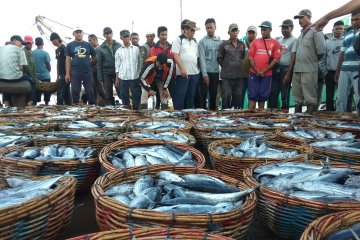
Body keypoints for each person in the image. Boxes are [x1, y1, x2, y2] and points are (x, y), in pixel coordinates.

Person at [284, 9, 326, 114]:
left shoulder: (316, 30)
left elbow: (321, 51)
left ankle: (309, 121)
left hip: (309, 69)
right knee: (297, 97)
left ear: (309, 16)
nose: (299, 20)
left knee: (310, 98)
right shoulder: (301, 34)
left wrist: (311, 61)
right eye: (298, 18)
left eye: (302, 17)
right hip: (297, 69)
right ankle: (297, 120)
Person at [248, 21, 281, 110]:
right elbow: (250, 57)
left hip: (267, 75)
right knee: (252, 97)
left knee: (262, 97)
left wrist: (264, 70)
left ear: (270, 30)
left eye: (265, 29)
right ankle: (249, 118)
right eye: (262, 29)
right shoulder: (255, 42)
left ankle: (260, 119)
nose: (263, 31)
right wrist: (256, 70)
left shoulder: (276, 43)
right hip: (254, 74)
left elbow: (276, 59)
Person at [268, 19, 297, 110]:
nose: (283, 30)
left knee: (285, 95)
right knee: (273, 94)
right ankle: (272, 116)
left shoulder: (294, 40)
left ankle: (284, 117)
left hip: (286, 70)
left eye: (286, 28)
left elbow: (293, 57)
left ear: (291, 28)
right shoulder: (279, 40)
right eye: (282, 28)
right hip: (276, 69)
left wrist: (289, 74)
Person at [172, 20, 201, 110]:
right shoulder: (178, 40)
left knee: (190, 98)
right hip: (183, 74)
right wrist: (182, 68)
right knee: (180, 97)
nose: (193, 32)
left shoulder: (195, 41)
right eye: (191, 30)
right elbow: (175, 55)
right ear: (185, 30)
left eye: (194, 31)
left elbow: (197, 57)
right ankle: (178, 118)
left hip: (194, 73)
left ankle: (189, 118)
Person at [335, 11, 360, 113]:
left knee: (359, 96)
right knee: (341, 96)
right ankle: (340, 118)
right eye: (352, 20)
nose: (354, 22)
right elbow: (342, 53)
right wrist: (337, 71)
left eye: (357, 19)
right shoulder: (348, 34)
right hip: (344, 69)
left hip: (357, 70)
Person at [217, 23, 246, 109]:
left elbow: (243, 57)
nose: (234, 32)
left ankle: (235, 117)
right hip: (227, 77)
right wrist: (226, 67)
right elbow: (219, 58)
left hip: (239, 77)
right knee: (226, 97)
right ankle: (225, 117)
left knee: (238, 97)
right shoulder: (224, 44)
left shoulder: (242, 44)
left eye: (236, 30)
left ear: (238, 32)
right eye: (232, 31)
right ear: (228, 32)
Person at [65, 26, 96, 105]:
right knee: (75, 91)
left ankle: (92, 107)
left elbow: (95, 57)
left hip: (87, 72)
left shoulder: (88, 45)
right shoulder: (69, 45)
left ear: (83, 33)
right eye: (76, 32)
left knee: (90, 91)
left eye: (80, 32)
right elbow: (68, 60)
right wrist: (67, 74)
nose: (79, 34)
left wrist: (90, 64)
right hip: (75, 72)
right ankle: (76, 107)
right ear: (73, 34)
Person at [0, 35, 33, 107]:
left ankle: (6, 102)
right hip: (14, 77)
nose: (21, 45)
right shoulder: (19, 50)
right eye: (21, 43)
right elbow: (21, 67)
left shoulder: (1, 48)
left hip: (1, 77)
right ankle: (30, 102)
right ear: (14, 40)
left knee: (7, 77)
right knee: (33, 82)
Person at [319, 21, 345, 111]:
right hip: (329, 73)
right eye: (336, 29)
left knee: (342, 96)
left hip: (343, 73)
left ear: (343, 30)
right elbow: (322, 60)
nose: (338, 31)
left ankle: (341, 115)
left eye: (340, 29)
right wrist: (325, 72)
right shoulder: (327, 43)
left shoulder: (346, 41)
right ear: (332, 30)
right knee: (329, 96)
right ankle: (329, 115)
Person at [115, 29, 142, 110]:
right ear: (121, 38)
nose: (127, 38)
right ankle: (127, 113)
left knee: (136, 96)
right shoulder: (118, 51)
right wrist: (117, 78)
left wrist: (140, 76)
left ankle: (137, 112)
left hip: (135, 76)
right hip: (123, 77)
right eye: (125, 37)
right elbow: (117, 65)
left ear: (130, 37)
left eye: (128, 36)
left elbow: (140, 63)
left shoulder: (136, 49)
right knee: (124, 96)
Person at [198, 18, 221, 110]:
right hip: (205, 72)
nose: (209, 30)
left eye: (211, 27)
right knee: (203, 96)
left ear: (215, 27)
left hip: (215, 71)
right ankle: (202, 115)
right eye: (207, 28)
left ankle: (211, 116)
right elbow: (202, 59)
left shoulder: (219, 41)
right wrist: (204, 75)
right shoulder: (202, 42)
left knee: (213, 94)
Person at [97, 27, 123, 105]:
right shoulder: (100, 48)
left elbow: (122, 60)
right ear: (104, 35)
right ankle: (111, 109)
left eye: (109, 33)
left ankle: (126, 108)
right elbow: (99, 64)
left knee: (121, 92)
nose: (108, 35)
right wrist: (100, 78)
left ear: (112, 34)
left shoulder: (119, 45)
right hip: (106, 73)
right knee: (108, 93)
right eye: (106, 34)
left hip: (118, 73)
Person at [50, 32, 72, 105]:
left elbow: (68, 60)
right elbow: (58, 63)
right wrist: (57, 75)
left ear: (57, 39)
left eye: (53, 40)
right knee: (66, 93)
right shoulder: (56, 50)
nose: (53, 42)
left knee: (60, 92)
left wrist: (67, 73)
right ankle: (68, 106)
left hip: (66, 73)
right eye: (52, 41)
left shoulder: (63, 48)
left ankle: (59, 106)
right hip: (61, 74)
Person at [239, 25, 258, 109]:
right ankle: (240, 111)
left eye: (253, 33)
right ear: (246, 33)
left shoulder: (259, 44)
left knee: (253, 95)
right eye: (249, 33)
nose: (251, 34)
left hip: (254, 74)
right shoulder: (241, 44)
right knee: (241, 95)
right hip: (243, 74)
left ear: (256, 34)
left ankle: (251, 112)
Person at [33, 37, 51, 105]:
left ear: (35, 44)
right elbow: (49, 65)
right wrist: (48, 71)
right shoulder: (45, 53)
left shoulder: (32, 53)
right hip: (45, 75)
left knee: (36, 91)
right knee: (47, 90)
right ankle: (46, 104)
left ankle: (36, 104)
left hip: (36, 76)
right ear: (43, 43)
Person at [22, 35, 37, 106]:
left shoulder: (30, 52)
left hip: (31, 74)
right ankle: (30, 102)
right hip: (25, 74)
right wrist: (33, 77)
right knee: (34, 84)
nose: (29, 44)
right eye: (27, 43)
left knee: (34, 83)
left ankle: (30, 102)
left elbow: (33, 65)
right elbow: (27, 66)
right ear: (25, 43)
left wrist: (35, 76)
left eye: (30, 43)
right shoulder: (23, 51)